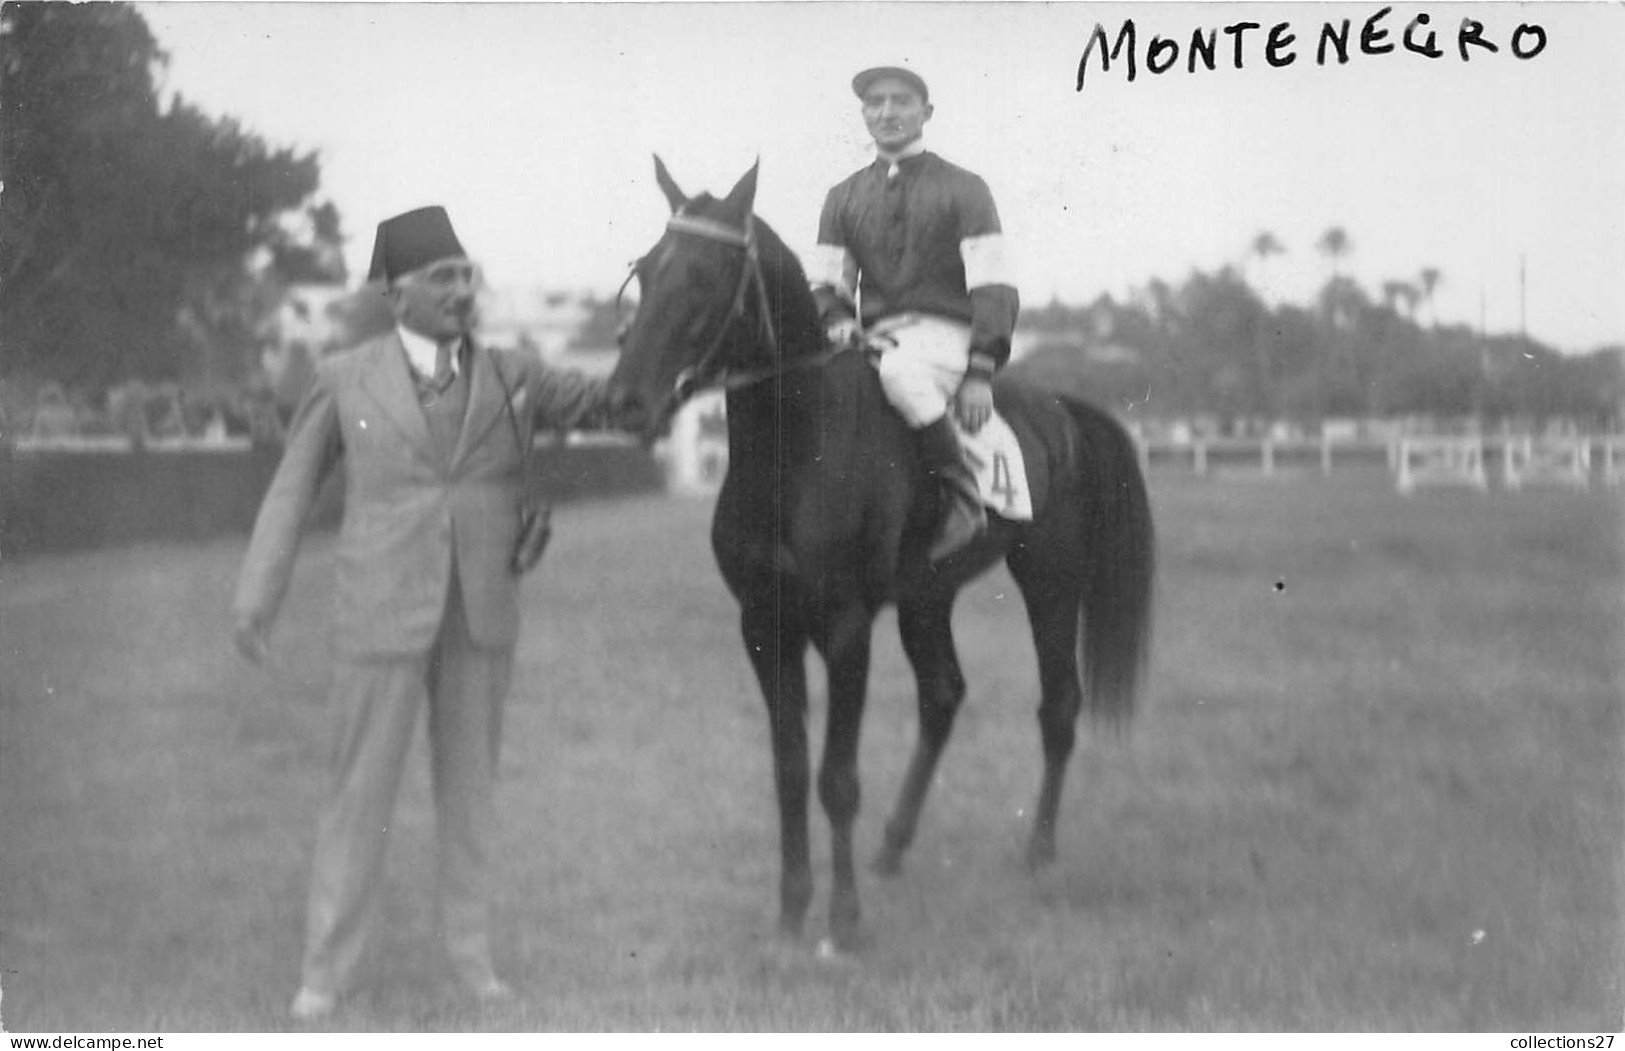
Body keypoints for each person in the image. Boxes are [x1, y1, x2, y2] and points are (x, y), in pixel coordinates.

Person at [232, 205, 619, 1021]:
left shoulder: (515, 370)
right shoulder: (345, 376)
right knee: (357, 796)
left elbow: (608, 399)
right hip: (379, 610)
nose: (460, 289)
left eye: (465, 274)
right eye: (441, 278)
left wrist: (674, 342)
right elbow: (292, 489)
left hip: (481, 612)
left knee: (470, 795)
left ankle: (469, 961)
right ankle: (328, 974)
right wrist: (256, 597)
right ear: (394, 293)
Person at [809, 64, 1021, 561]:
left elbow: (993, 284)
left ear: (926, 112)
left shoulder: (966, 188)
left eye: (901, 100)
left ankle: (964, 498)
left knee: (903, 373)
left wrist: (980, 373)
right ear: (863, 113)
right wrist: (837, 320)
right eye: (875, 102)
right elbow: (826, 283)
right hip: (876, 337)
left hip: (947, 337)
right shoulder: (842, 198)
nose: (887, 112)